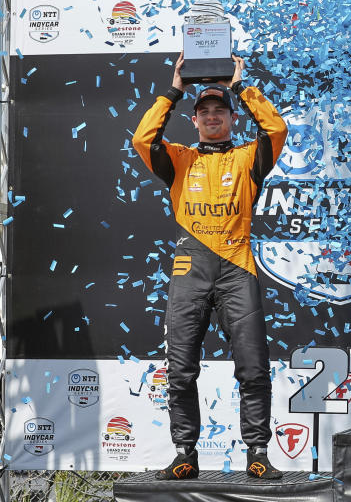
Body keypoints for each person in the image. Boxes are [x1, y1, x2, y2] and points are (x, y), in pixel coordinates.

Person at [133, 54, 288, 480]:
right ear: (195, 120)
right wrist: (175, 89)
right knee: (180, 369)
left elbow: (275, 128)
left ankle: (258, 452)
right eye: (205, 112)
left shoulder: (248, 159)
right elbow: (144, 140)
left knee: (253, 367)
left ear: (232, 118)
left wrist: (240, 85)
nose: (213, 117)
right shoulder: (180, 159)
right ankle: (185, 452)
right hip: (191, 268)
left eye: (220, 111)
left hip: (238, 266)